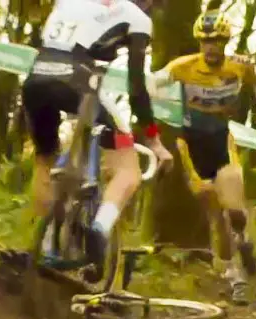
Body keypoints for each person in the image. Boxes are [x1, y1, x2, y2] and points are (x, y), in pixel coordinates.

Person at [22, 0, 173, 280]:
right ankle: (100, 230)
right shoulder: (136, 16)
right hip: (79, 84)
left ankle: (41, 244)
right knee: (129, 171)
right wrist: (154, 141)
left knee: (45, 159)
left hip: (35, 81)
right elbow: (137, 87)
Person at [151, 10, 256, 305]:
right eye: (205, 41)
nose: (211, 47)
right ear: (199, 42)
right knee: (215, 215)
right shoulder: (183, 67)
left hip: (222, 142)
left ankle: (242, 250)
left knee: (235, 211)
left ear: (225, 41)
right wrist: (154, 110)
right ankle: (234, 275)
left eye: (217, 40)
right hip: (191, 146)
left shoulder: (239, 66)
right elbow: (149, 84)